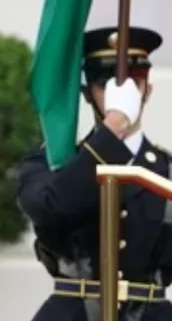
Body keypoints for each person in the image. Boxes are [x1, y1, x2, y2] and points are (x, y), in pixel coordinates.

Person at [18, 26, 172, 321]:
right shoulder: (50, 163)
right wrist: (113, 127)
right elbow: (52, 207)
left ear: (147, 91)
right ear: (88, 94)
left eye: (133, 85)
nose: (119, 98)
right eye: (107, 86)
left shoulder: (167, 170)